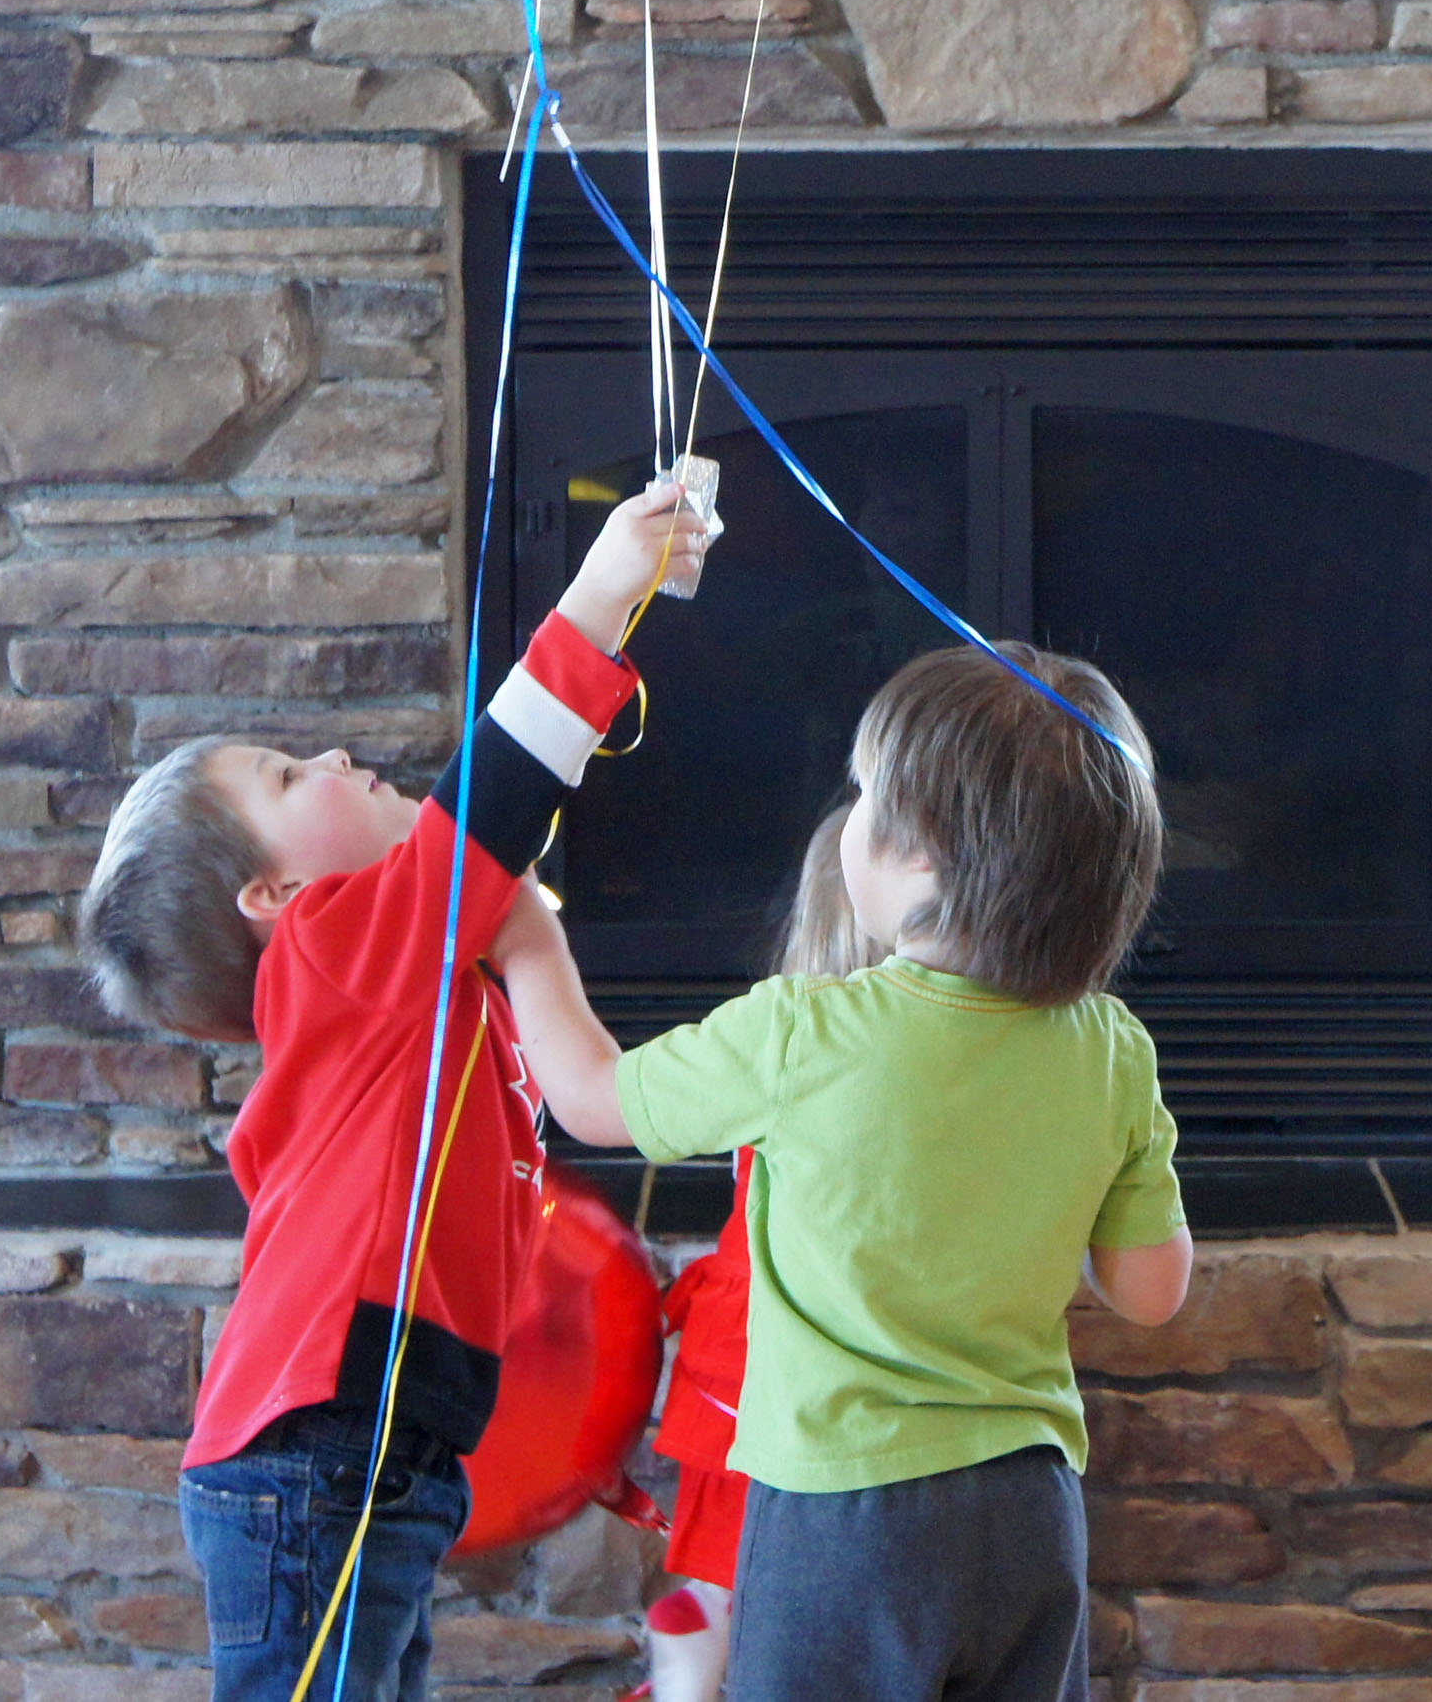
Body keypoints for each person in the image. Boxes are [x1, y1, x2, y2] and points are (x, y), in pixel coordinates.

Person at [77, 481, 716, 1702]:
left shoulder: (403, 997)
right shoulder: (330, 948)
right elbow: (494, 801)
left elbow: (557, 1069)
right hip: (316, 1452)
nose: (331, 756)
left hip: (373, 1461)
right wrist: (600, 593)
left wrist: (529, 939)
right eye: (285, 775)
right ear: (274, 899)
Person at [496, 643, 1193, 1702]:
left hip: (844, 1515)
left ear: (923, 860)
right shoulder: (1113, 1049)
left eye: (865, 795)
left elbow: (592, 1099)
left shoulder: (803, 1034)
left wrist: (528, 944)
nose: (849, 817)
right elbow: (1150, 1289)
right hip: (1028, 1510)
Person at [637, 807, 880, 1702]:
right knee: (821, 1589)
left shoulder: (775, 1037)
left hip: (732, 1363)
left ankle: (697, 1644)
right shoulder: (885, 1062)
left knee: (733, 1564)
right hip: (808, 1380)